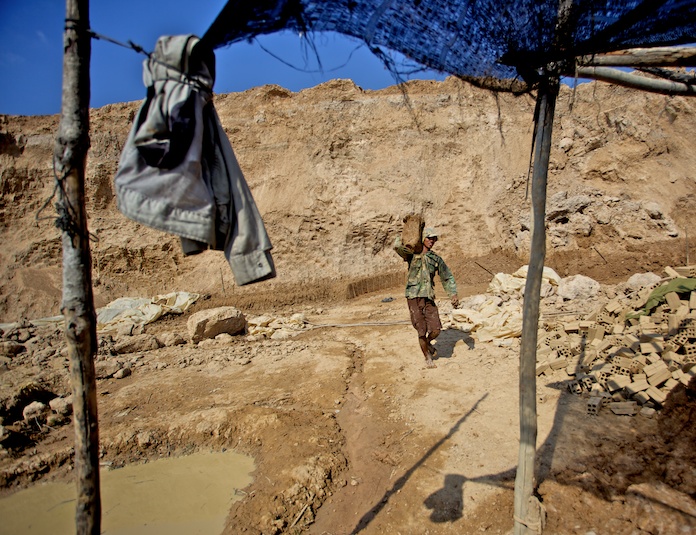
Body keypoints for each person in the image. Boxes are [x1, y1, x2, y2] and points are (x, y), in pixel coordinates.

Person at [394, 227, 459, 368]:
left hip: (428, 296)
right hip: (413, 296)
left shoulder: (435, 259)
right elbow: (397, 246)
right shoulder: (411, 255)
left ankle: (428, 343)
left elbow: (446, 276)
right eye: (430, 238)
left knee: (436, 329)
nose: (432, 241)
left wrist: (452, 293)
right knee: (421, 330)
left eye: (434, 239)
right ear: (422, 238)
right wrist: (407, 231)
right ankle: (427, 357)